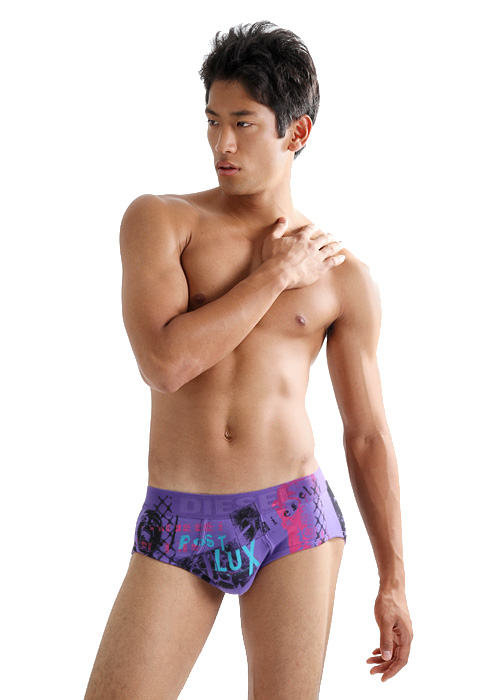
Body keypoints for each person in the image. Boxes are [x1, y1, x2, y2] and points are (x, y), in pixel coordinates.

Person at [84, 20, 413, 700]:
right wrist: (274, 276)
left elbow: (367, 435)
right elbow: (164, 363)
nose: (221, 144)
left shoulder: (345, 277)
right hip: (179, 515)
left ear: (297, 132)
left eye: (243, 123)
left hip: (294, 519)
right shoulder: (162, 220)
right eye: (212, 121)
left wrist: (394, 580)